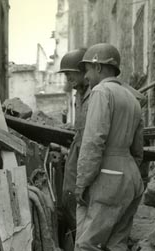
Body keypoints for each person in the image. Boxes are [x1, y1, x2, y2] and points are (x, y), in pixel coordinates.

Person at [74, 43, 144, 251]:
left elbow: (93, 141)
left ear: (100, 67)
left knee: (86, 243)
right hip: (130, 174)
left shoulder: (102, 93)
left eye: (88, 69)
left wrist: (82, 182)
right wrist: (131, 174)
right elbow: (139, 149)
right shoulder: (132, 97)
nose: (86, 77)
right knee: (116, 241)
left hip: (108, 171)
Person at [59, 48, 90, 234]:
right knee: (68, 194)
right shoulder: (78, 94)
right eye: (65, 75)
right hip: (77, 145)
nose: (67, 78)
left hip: (87, 147)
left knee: (80, 195)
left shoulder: (95, 93)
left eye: (70, 73)